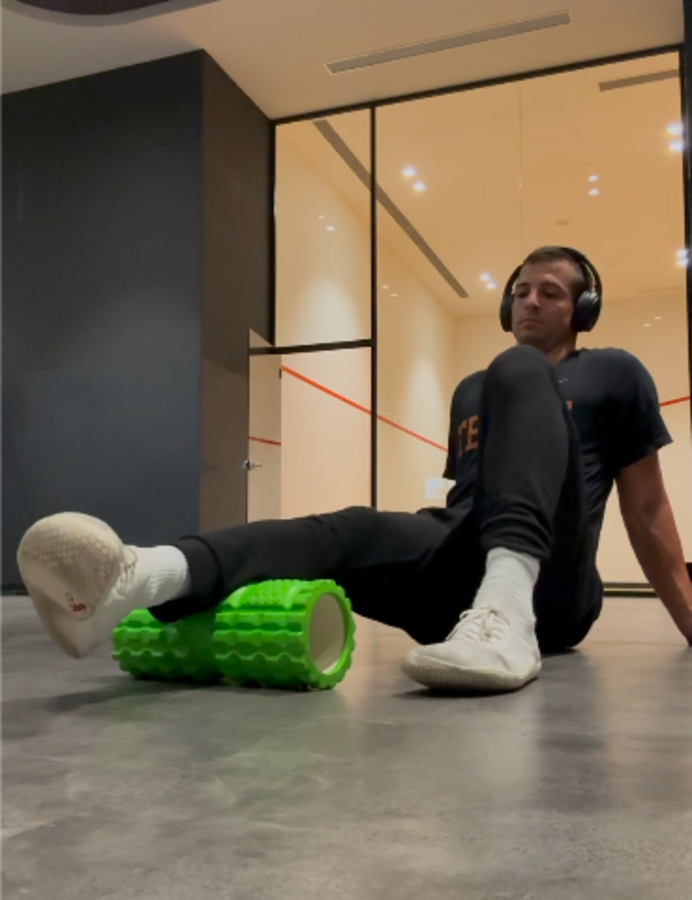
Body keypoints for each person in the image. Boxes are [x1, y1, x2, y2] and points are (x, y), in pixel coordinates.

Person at [16, 246, 692, 694]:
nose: (531, 302)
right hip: (459, 576)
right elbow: (468, 495)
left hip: (555, 591)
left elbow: (648, 508)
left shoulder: (613, 374)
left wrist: (689, 618)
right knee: (349, 527)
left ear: (583, 311)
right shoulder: (471, 392)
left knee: (514, 367)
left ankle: (506, 615)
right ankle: (136, 579)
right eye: (520, 291)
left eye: (551, 292)